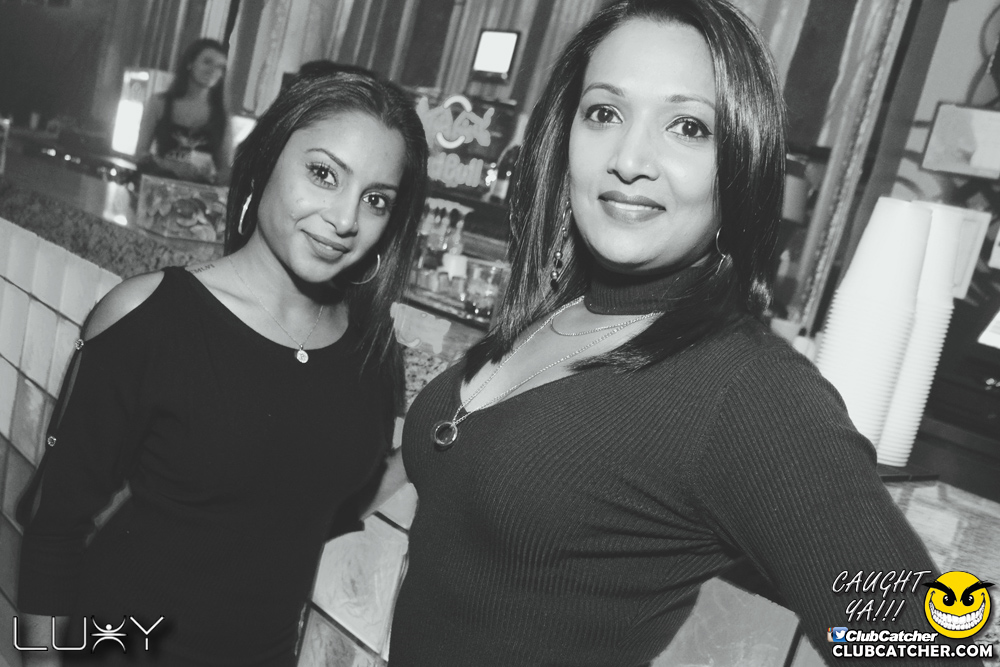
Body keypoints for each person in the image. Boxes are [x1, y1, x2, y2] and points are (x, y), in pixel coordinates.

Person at [385, 1, 983, 665]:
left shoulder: (749, 392)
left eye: (689, 126)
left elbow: (921, 643)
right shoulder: (556, 309)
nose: (629, 158)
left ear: (742, 161)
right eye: (604, 113)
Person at [16, 70, 428, 666]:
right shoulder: (149, 316)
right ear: (265, 160)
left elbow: (314, 508)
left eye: (376, 199)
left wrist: (432, 437)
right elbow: (53, 527)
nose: (346, 219)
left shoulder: (374, 350)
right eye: (323, 174)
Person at [134, 38, 233, 184]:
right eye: (207, 62)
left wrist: (216, 174)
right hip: (160, 188)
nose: (213, 70)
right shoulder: (159, 103)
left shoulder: (221, 115)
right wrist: (171, 166)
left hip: (200, 193)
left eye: (220, 67)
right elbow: (140, 155)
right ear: (190, 63)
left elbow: (225, 169)